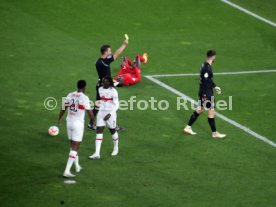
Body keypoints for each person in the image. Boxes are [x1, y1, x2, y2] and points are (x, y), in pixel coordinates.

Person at [183, 50, 226, 139]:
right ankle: (214, 133)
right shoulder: (208, 68)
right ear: (213, 57)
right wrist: (206, 96)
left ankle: (188, 127)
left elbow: (208, 80)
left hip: (203, 91)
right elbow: (206, 81)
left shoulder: (204, 65)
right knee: (211, 112)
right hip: (206, 93)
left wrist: (215, 86)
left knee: (200, 109)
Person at [88, 39, 128, 130]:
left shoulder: (98, 61)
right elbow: (116, 54)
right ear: (105, 52)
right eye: (109, 50)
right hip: (105, 86)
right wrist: (124, 44)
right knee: (112, 103)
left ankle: (91, 123)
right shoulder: (105, 62)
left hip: (100, 84)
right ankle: (113, 125)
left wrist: (115, 82)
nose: (111, 52)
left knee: (98, 104)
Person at [57, 80, 95, 177]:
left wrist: (59, 118)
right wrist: (94, 121)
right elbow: (90, 112)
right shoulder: (84, 98)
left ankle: (77, 166)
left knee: (72, 146)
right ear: (85, 87)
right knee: (75, 147)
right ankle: (67, 171)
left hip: (69, 122)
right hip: (78, 124)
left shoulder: (70, 95)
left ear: (77, 86)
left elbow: (64, 107)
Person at [89, 76, 120, 159]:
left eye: (105, 81)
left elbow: (117, 105)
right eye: (102, 81)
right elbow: (101, 100)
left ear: (109, 83)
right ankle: (97, 153)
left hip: (111, 114)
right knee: (99, 131)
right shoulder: (100, 89)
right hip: (101, 113)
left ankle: (116, 148)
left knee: (112, 130)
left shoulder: (114, 92)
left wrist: (110, 114)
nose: (103, 83)